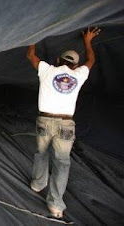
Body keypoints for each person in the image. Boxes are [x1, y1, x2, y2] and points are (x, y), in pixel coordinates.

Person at [26, 27, 101, 218]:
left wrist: (34, 36)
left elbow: (30, 54)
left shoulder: (47, 70)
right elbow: (91, 60)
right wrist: (88, 41)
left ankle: (37, 184)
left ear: (58, 60)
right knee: (62, 163)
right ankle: (55, 205)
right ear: (75, 66)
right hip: (66, 125)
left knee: (41, 153)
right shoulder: (79, 75)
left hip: (44, 120)